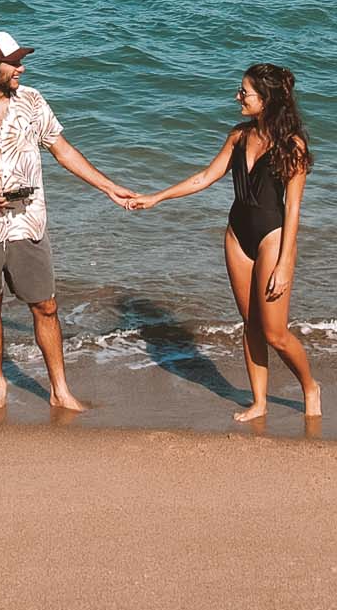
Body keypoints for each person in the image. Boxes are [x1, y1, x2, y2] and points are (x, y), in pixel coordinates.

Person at [0, 30, 139, 411]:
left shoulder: (32, 101)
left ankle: (60, 391)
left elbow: (62, 149)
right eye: (14, 63)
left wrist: (108, 187)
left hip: (28, 222)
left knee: (46, 306)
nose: (21, 69)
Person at [134, 63, 321, 421]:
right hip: (237, 235)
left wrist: (284, 263)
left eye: (244, 92)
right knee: (249, 324)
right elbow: (205, 177)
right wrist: (156, 197)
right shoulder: (238, 136)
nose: (238, 97)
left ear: (266, 99)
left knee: (276, 332)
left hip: (273, 237)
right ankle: (260, 402)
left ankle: (310, 386)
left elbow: (294, 210)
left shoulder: (292, 145)